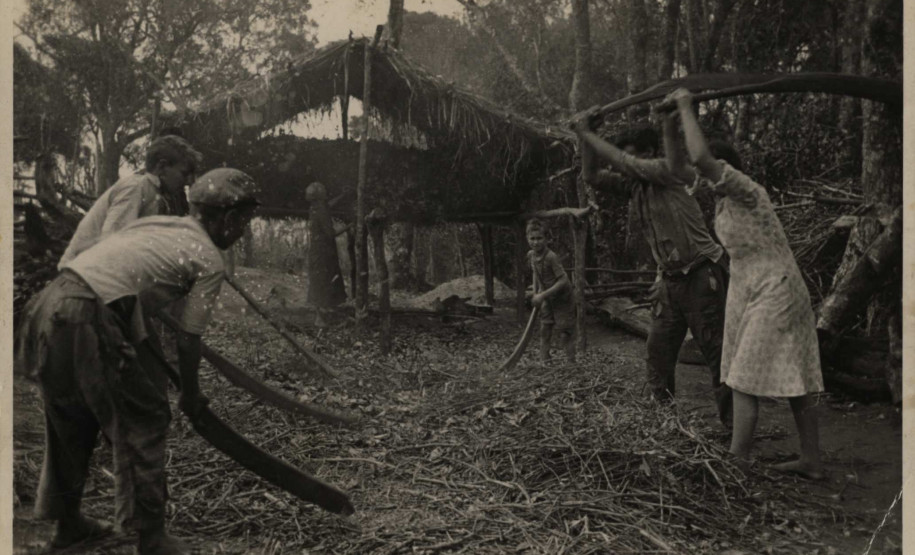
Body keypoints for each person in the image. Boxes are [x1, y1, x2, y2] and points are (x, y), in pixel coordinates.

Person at [15, 168, 261, 554]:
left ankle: (67, 525)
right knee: (144, 418)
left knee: (70, 414)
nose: (243, 231)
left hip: (49, 303)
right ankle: (149, 534)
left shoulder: (159, 225)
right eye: (243, 221)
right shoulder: (209, 259)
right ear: (227, 218)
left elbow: (128, 300)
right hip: (87, 311)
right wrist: (191, 396)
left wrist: (149, 363)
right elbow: (188, 336)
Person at [667, 88, 824, 478]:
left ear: (726, 169)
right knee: (777, 375)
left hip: (776, 286)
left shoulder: (747, 191)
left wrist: (688, 105)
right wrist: (669, 122)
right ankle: (811, 459)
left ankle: (737, 460)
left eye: (708, 173)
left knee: (743, 378)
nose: (701, 177)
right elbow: (677, 167)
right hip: (749, 286)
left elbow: (701, 157)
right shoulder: (723, 202)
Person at [572, 111, 732, 426]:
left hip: (702, 274)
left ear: (648, 154)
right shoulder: (634, 186)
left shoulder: (664, 171)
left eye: (632, 158)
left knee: (718, 355)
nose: (626, 165)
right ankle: (663, 424)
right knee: (657, 355)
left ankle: (734, 431)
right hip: (670, 281)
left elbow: (622, 163)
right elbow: (591, 176)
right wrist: (585, 136)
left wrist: (587, 134)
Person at [58, 134, 203, 268]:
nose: (188, 181)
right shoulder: (136, 188)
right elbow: (111, 244)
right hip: (81, 275)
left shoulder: (157, 194)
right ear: (162, 167)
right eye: (184, 173)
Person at [526, 218, 575, 365]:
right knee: (545, 328)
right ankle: (545, 361)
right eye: (532, 238)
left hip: (563, 298)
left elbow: (563, 280)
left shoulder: (551, 257)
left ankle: (571, 364)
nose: (536, 242)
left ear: (546, 239)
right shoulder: (532, 256)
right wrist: (536, 292)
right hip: (547, 298)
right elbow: (535, 273)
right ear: (527, 239)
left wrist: (542, 295)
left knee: (565, 333)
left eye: (539, 238)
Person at [306, 182, 347, 326]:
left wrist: (342, 195)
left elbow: (328, 205)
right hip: (324, 252)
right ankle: (321, 319)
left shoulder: (315, 207)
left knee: (320, 281)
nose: (325, 190)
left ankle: (323, 316)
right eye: (323, 189)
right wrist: (348, 227)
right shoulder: (321, 210)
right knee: (325, 281)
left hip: (317, 250)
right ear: (319, 195)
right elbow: (330, 233)